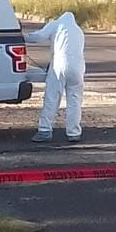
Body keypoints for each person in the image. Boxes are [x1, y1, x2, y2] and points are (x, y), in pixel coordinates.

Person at [25, 12, 86, 143]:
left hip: (59, 65)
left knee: (52, 97)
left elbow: (38, 36)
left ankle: (45, 130)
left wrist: (22, 37)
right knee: (75, 99)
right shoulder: (78, 30)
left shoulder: (56, 24)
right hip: (78, 67)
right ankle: (74, 132)